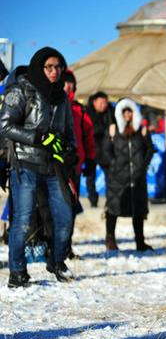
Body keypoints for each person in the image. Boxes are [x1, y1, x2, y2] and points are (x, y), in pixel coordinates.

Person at [0, 46, 76, 287]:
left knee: (65, 216)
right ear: (40, 67)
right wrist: (38, 137)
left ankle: (57, 260)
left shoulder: (61, 97)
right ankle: (18, 272)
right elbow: (4, 126)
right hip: (24, 163)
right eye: (49, 67)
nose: (55, 72)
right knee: (22, 220)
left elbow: (69, 132)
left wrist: (68, 148)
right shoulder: (22, 90)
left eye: (58, 67)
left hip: (53, 165)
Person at [103, 98, 154, 251]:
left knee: (138, 210)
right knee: (113, 209)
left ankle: (140, 241)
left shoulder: (141, 131)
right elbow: (105, 151)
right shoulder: (113, 130)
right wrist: (114, 166)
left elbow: (150, 150)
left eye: (129, 111)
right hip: (117, 178)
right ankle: (110, 240)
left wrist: (142, 167)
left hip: (137, 177)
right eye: (124, 111)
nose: (127, 114)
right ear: (119, 113)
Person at [61, 69, 95, 259]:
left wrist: (90, 159)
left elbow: (88, 136)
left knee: (71, 207)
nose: (68, 86)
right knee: (54, 207)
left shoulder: (79, 110)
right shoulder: (52, 105)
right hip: (55, 166)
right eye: (65, 82)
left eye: (71, 82)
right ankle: (53, 247)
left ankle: (67, 248)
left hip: (75, 166)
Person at [85, 91, 114, 207]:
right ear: (94, 102)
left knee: (110, 178)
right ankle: (93, 200)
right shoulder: (87, 113)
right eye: (101, 102)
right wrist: (106, 129)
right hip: (91, 151)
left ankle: (110, 201)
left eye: (106, 102)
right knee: (90, 178)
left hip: (106, 151)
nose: (104, 105)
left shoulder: (110, 113)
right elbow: (91, 130)